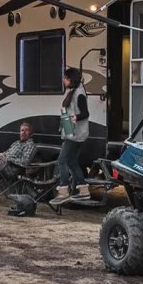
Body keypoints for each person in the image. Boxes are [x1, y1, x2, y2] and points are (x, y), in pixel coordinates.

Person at [53, 67, 90, 204]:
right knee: (71, 161)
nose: (63, 80)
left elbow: (85, 113)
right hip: (72, 132)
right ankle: (84, 190)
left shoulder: (79, 94)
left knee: (62, 160)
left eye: (65, 78)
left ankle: (63, 191)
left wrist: (75, 118)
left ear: (71, 79)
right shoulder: (74, 91)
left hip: (75, 134)